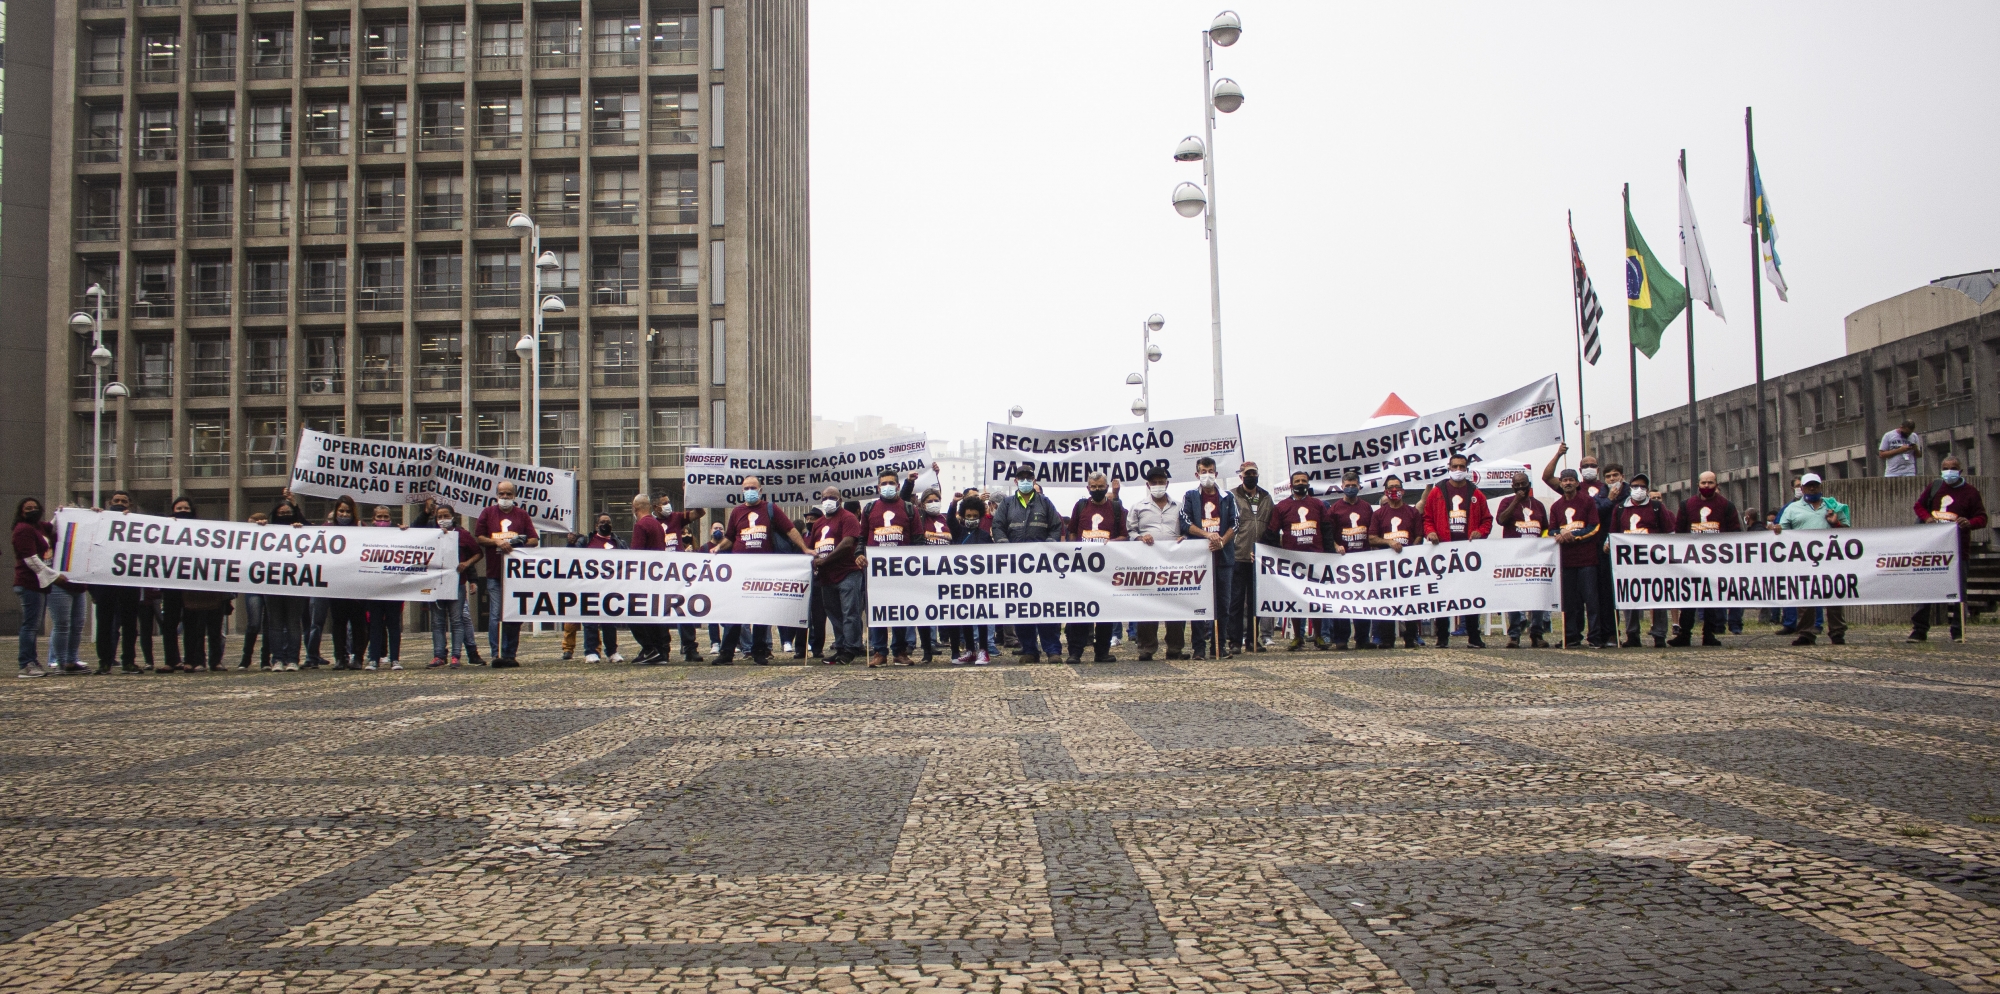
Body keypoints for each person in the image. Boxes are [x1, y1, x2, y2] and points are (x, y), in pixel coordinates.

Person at [714, 475, 807, 665]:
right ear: (742, 491)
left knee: (760, 611)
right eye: (746, 488)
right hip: (740, 569)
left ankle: (759, 651)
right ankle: (726, 652)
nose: (749, 491)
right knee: (734, 611)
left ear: (760, 490)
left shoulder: (770, 509)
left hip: (763, 569)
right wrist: (719, 547)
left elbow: (790, 530)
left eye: (752, 488)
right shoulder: (737, 512)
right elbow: (731, 537)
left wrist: (805, 549)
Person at [991, 465, 1065, 663]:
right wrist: (1005, 547)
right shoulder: (1007, 504)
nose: (1025, 481)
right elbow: (997, 527)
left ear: (1034, 480)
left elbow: (1056, 527)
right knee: (1022, 609)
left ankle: (1053, 651)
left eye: (1028, 478)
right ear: (1016, 481)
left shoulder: (1045, 503)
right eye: (1021, 478)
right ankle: (1029, 650)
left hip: (1042, 567)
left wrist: (1049, 546)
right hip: (1016, 568)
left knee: (1047, 609)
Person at [1910, 456, 1985, 643]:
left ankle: (1958, 631)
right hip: (1933, 550)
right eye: (1945, 468)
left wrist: (1969, 523)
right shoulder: (1935, 487)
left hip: (1959, 551)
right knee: (1926, 590)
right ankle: (1919, 630)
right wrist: (1927, 517)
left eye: (1953, 468)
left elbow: (1982, 518)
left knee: (1959, 592)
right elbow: (1918, 505)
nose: (1949, 471)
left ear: (1960, 471)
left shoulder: (1971, 493)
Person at [1421, 454, 1492, 648]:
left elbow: (1487, 520)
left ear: (1467, 469)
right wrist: (1431, 532)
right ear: (1449, 467)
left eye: (1462, 467)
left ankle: (1473, 636)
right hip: (1443, 551)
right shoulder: (1437, 491)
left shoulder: (1476, 493)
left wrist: (1481, 532)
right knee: (1443, 596)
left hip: (1468, 552)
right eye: (1455, 466)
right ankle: (1442, 636)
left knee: (1471, 595)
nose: (1458, 470)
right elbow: (1427, 518)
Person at [1770, 472, 1848, 645]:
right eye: (1808, 485)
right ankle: (1806, 633)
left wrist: (1835, 522)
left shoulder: (1833, 506)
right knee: (1805, 596)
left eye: (1815, 485)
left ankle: (1837, 632)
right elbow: (1781, 531)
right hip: (1802, 560)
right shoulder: (1791, 509)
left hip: (1829, 559)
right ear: (1802, 488)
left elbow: (1847, 531)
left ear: (1820, 486)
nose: (1812, 488)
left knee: (1833, 595)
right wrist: (1776, 530)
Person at [1670, 471, 1738, 646]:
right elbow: (1679, 531)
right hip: (1691, 561)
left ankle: (1709, 634)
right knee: (1689, 599)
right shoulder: (1687, 505)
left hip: (1716, 562)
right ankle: (1684, 635)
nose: (1706, 486)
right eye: (1703, 483)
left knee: (1711, 600)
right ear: (1698, 485)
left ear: (1716, 484)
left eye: (1710, 483)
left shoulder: (1727, 505)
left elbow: (1735, 532)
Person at [475, 482, 539, 667]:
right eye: (501, 494)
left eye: (508, 494)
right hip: (495, 573)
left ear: (514, 496)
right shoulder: (488, 513)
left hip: (516, 576)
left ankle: (510, 653)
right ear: (496, 495)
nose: (505, 497)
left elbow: (534, 539)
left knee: (514, 614)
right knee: (496, 614)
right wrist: (497, 542)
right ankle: (497, 653)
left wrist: (519, 543)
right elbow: (479, 537)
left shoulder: (522, 515)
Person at [1607, 473, 1675, 648]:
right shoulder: (1620, 508)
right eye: (1635, 486)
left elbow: (1669, 533)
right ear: (1630, 488)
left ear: (1647, 489)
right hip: (1629, 562)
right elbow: (1613, 532)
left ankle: (1659, 634)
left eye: (1643, 487)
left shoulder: (1657, 508)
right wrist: (1607, 544)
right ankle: (1632, 634)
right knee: (1630, 596)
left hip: (1654, 562)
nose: (1639, 490)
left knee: (1658, 596)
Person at [1265, 470, 1330, 651]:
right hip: (1292, 560)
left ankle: (1318, 636)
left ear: (1308, 484)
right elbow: (1272, 531)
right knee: (1295, 599)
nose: (1300, 483)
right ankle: (1297, 636)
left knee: (1316, 599)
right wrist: (1264, 550)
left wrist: (1330, 553)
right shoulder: (1282, 507)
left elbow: (1326, 530)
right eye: (1297, 481)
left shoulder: (1318, 505)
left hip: (1316, 559)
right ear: (1291, 485)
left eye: (1304, 480)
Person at [861, 470, 920, 666]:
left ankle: (899, 651)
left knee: (901, 610)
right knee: (877, 610)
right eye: (884, 483)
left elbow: (918, 540)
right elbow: (861, 538)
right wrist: (858, 555)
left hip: (902, 570)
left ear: (897, 486)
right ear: (878, 487)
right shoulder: (869, 509)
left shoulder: (909, 509)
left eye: (891, 483)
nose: (887, 486)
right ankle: (879, 651)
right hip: (876, 571)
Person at [1066, 472, 1127, 663]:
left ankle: (1102, 652)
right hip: (1083, 569)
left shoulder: (1116, 508)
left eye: (1101, 486)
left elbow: (1125, 536)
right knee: (1079, 612)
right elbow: (1072, 533)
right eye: (1094, 487)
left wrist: (1112, 542)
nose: (1097, 490)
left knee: (1105, 611)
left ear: (1107, 487)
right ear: (1088, 489)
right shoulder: (1081, 506)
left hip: (1107, 569)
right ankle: (1075, 652)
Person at [1128, 465, 1187, 661]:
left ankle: (1175, 647)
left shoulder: (1180, 507)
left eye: (1161, 482)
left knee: (1176, 605)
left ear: (1167, 484)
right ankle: (1147, 647)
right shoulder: (1138, 507)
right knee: (1148, 604)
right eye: (1154, 483)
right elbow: (1131, 531)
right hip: (1147, 563)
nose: (1158, 485)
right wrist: (1140, 538)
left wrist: (1184, 538)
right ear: (1148, 484)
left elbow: (1186, 529)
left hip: (1174, 563)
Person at [1181, 457, 1236, 661]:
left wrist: (1221, 541)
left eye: (1210, 471)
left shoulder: (1227, 497)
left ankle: (1219, 646)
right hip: (1199, 559)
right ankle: (1199, 648)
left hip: (1224, 558)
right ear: (1197, 474)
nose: (1207, 475)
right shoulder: (1190, 496)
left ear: (1216, 473)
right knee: (1198, 604)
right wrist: (1207, 535)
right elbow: (1185, 522)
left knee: (1223, 604)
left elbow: (1235, 523)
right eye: (1203, 471)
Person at [14, 498, 72, 678]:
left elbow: (52, 526)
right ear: (21, 512)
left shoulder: (38, 527)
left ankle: (32, 661)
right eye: (28, 508)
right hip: (29, 582)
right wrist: (54, 576)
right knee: (30, 626)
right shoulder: (23, 530)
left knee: (32, 625)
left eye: (35, 507)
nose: (32, 510)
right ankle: (26, 664)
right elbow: (31, 560)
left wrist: (61, 513)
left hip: (39, 584)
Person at [808, 485, 866, 665]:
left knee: (850, 612)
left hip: (847, 572)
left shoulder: (848, 518)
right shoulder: (818, 524)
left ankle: (851, 648)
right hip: (826, 577)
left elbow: (848, 543)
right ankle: (840, 647)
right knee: (833, 613)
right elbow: (811, 547)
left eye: (832, 497)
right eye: (825, 497)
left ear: (839, 500)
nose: (828, 501)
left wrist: (826, 560)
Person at [1367, 476, 1426, 649]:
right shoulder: (1379, 514)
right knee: (1387, 601)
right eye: (1391, 487)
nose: (1394, 490)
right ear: (1385, 491)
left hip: (1408, 565)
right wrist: (1389, 543)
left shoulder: (1412, 512)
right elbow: (1371, 538)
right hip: (1387, 566)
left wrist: (1410, 552)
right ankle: (1387, 638)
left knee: (1410, 601)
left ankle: (1411, 637)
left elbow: (1419, 536)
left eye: (1397, 487)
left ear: (1403, 491)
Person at [88, 490, 144, 673]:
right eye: (116, 500)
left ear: (130, 505)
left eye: (124, 501)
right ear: (109, 503)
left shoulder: (137, 523)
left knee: (130, 624)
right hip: (106, 580)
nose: (120, 503)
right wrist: (93, 516)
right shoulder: (100, 521)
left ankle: (128, 660)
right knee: (104, 624)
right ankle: (104, 661)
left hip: (129, 581)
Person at [1492, 473, 1550, 648]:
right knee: (1514, 595)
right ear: (1512, 486)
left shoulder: (1538, 505)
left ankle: (1537, 633)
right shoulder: (1506, 502)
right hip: (1514, 557)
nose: (1520, 487)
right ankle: (1514, 634)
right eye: (1516, 485)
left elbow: (1545, 529)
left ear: (1528, 485)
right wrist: (1516, 501)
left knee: (1537, 594)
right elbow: (1501, 520)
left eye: (1523, 484)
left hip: (1535, 557)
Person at [1549, 469, 1604, 648]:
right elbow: (1550, 531)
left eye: (1571, 480)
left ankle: (1595, 636)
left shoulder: (1588, 501)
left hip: (1587, 560)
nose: (1567, 483)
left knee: (1592, 601)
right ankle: (1571, 635)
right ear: (1561, 483)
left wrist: (1575, 536)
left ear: (1577, 482)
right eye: (1564, 480)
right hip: (1566, 561)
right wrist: (1559, 534)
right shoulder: (1556, 506)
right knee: (1570, 602)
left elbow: (1594, 526)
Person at [422, 503, 478, 668]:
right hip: (437, 584)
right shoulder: (431, 534)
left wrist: (466, 564)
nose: (443, 520)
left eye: (446, 516)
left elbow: (477, 552)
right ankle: (439, 655)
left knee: (456, 620)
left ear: (453, 517)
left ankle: (456, 655)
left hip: (456, 583)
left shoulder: (462, 534)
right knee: (437, 622)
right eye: (440, 517)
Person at [1324, 469, 1375, 650]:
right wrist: (1336, 545)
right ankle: (1341, 639)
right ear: (1342, 487)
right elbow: (1329, 534)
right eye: (1348, 486)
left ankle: (1362, 638)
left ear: (1359, 486)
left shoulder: (1366, 507)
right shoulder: (1335, 509)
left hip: (1362, 560)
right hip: (1342, 562)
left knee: (1363, 599)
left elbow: (1372, 531)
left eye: (1354, 486)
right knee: (1342, 600)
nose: (1351, 488)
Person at [1227, 461, 1273, 655]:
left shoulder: (1266, 497)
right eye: (1247, 474)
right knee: (1236, 602)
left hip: (1259, 558)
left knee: (1255, 602)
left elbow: (1271, 525)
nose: (1251, 476)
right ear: (1241, 476)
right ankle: (1235, 641)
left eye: (1254, 473)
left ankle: (1254, 640)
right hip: (1238, 554)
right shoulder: (1231, 495)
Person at [567, 513, 625, 662]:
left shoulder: (618, 543)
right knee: (590, 621)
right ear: (596, 526)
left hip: (611, 588)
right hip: (590, 587)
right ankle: (590, 651)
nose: (606, 524)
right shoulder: (586, 542)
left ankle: (612, 652)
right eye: (602, 522)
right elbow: (570, 557)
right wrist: (570, 543)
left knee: (610, 622)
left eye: (608, 522)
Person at [949, 496, 997, 665]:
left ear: (980, 516)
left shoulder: (984, 536)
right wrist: (953, 503)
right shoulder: (958, 532)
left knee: (981, 617)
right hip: (962, 583)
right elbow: (950, 520)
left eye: (974, 516)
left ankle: (983, 649)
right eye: (968, 516)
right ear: (962, 515)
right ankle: (970, 650)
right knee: (966, 617)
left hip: (980, 584)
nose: (971, 519)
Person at [362, 505, 409, 670]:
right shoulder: (365, 535)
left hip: (393, 588)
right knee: (375, 626)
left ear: (391, 519)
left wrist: (406, 532)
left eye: (386, 518)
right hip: (374, 589)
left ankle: (395, 659)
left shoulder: (398, 535)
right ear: (373, 519)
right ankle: (374, 658)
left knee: (393, 626)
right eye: (379, 517)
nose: (382, 521)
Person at [237, 511, 272, 670]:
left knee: (269, 624)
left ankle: (265, 660)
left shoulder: (271, 537)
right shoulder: (244, 541)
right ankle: (246, 659)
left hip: (271, 585)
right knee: (254, 623)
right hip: (253, 586)